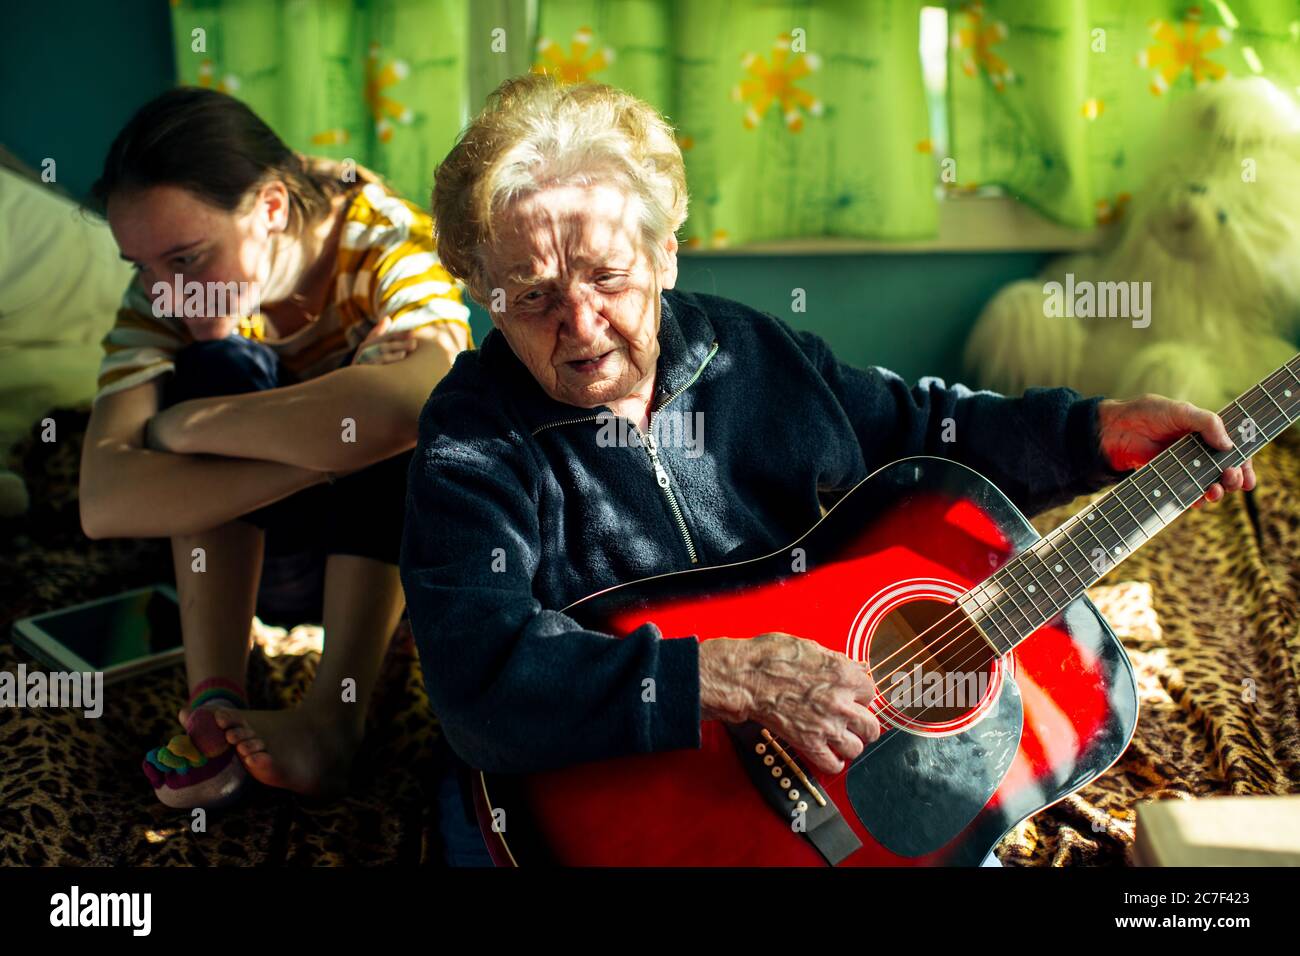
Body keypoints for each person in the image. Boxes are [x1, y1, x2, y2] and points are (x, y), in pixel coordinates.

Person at [400, 73, 1256, 866]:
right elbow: (483, 678)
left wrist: (1090, 432)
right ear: (484, 291)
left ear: (666, 255)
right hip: (602, 811)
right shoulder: (472, 439)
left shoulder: (748, 352)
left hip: (843, 769)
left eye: (609, 278)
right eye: (535, 295)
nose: (581, 326)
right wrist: (723, 676)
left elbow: (922, 428)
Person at [79, 87, 472, 809]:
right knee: (225, 365)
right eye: (142, 268)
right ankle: (213, 698)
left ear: (269, 208)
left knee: (393, 425)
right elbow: (103, 501)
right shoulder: (168, 285)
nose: (166, 296)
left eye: (187, 261)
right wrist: (328, 439)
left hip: (380, 558)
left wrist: (182, 426)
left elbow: (421, 405)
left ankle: (333, 721)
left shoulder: (383, 236)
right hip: (249, 562)